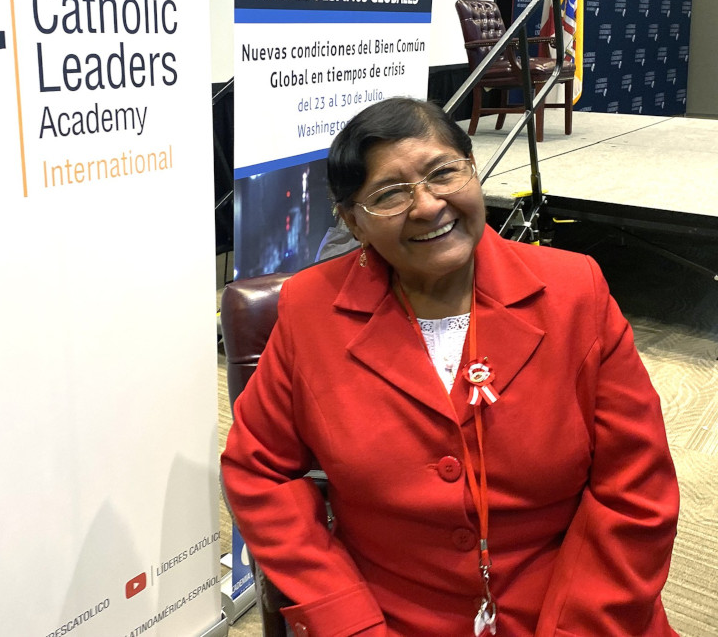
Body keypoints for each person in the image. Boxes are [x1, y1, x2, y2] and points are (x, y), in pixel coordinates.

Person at [221, 98, 679, 636]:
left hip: (578, 611)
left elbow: (637, 490)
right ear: (352, 222)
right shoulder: (310, 311)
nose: (427, 205)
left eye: (443, 173)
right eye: (389, 194)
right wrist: (344, 617)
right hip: (393, 618)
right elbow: (258, 473)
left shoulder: (576, 290)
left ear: (473, 168)